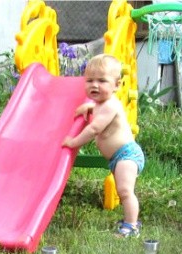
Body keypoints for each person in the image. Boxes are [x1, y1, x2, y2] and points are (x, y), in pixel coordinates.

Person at [62, 54, 145, 238]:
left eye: (102, 81)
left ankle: (131, 226)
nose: (94, 85)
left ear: (116, 85)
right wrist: (88, 108)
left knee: (125, 191)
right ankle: (130, 220)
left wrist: (74, 142)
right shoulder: (100, 104)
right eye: (89, 80)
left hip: (127, 155)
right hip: (117, 158)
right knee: (122, 190)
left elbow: (94, 129)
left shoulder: (110, 105)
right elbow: (97, 110)